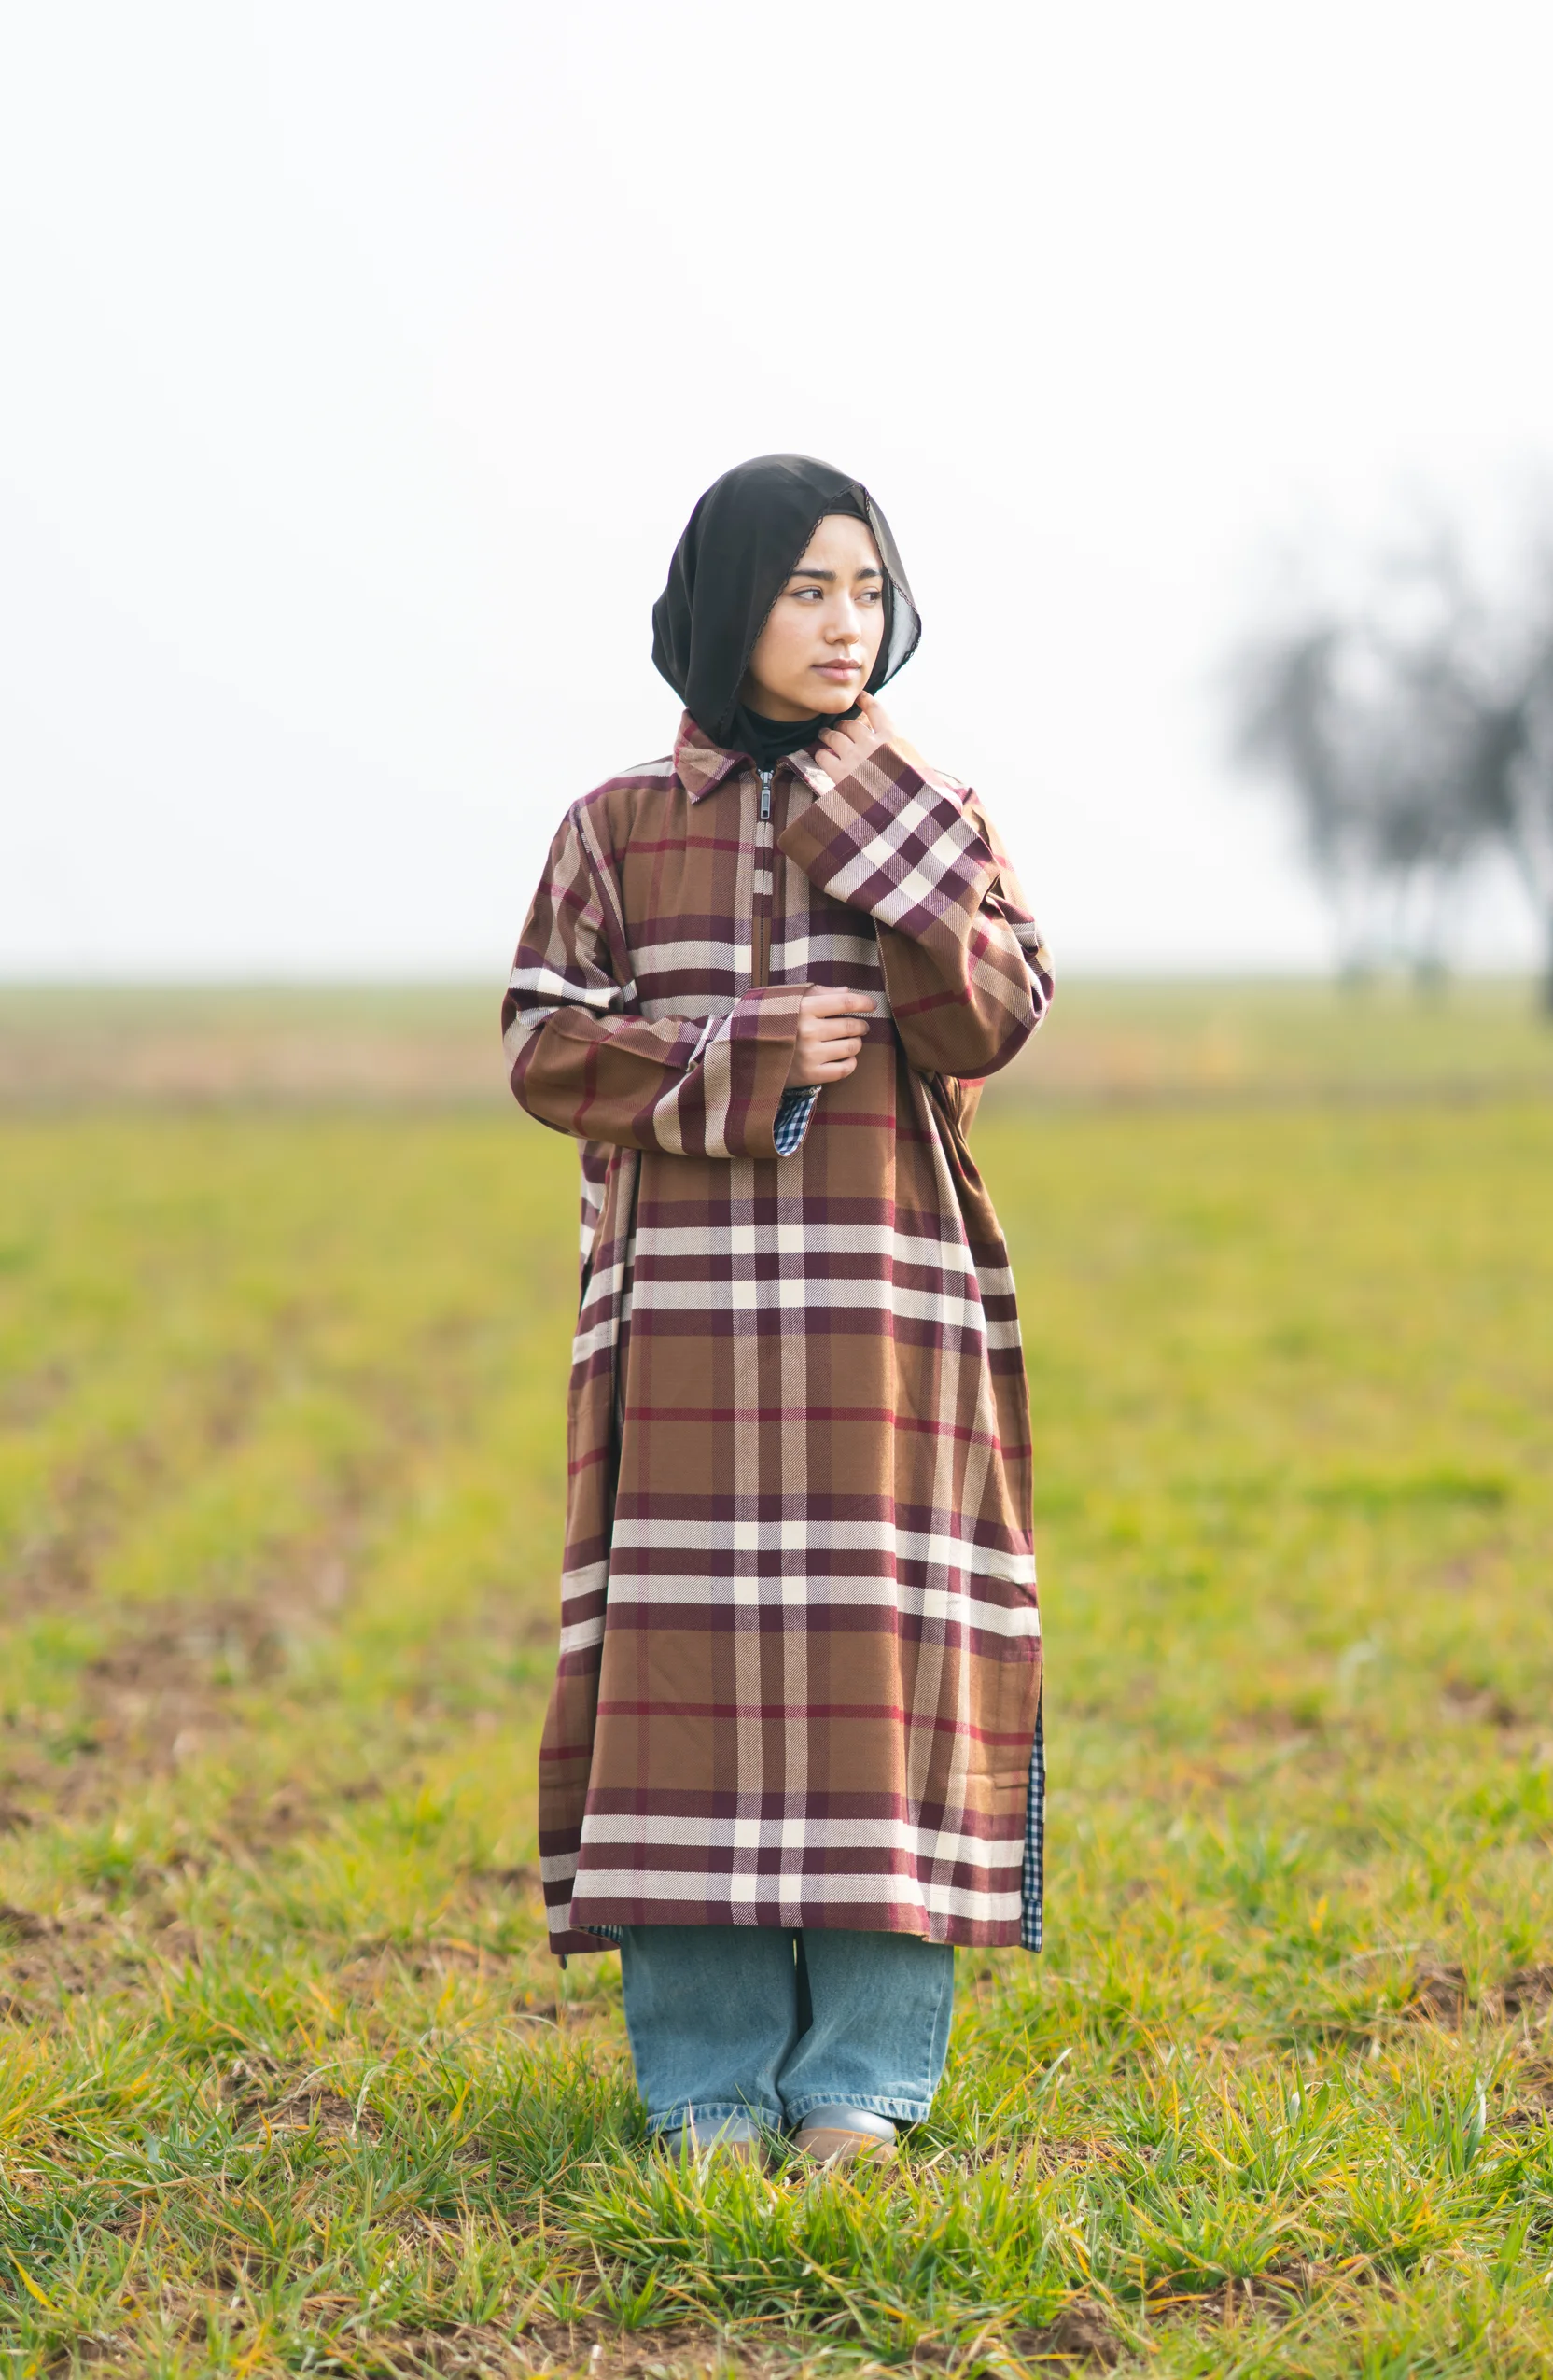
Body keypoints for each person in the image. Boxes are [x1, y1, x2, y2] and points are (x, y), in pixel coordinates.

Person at [502, 454, 1052, 2168]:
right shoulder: (614, 826)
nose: (843, 624)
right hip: (684, 1326)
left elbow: (995, 1020)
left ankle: (863, 2082)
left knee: (884, 1672)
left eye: (866, 590)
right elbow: (539, 1042)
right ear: (728, 603)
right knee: (687, 1681)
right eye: (808, 588)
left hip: (888, 1311)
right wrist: (733, 1056)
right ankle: (709, 2085)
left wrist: (887, 856)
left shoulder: (931, 810)